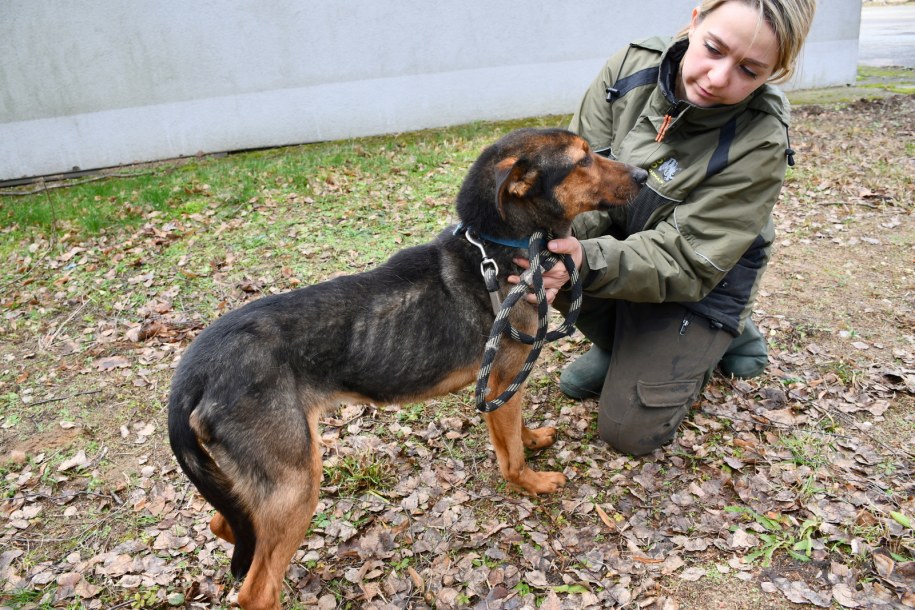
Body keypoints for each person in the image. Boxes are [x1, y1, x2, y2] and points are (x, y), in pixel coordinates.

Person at [513, 0, 817, 456]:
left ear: (774, 73)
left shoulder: (761, 138)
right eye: (714, 48)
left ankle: (724, 331)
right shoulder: (630, 68)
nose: (717, 78)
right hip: (625, 244)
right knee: (552, 259)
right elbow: (578, 186)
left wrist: (585, 260)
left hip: (704, 277)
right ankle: (628, 345)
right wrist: (562, 249)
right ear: (695, 21)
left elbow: (689, 258)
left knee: (626, 432)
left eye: (749, 70)